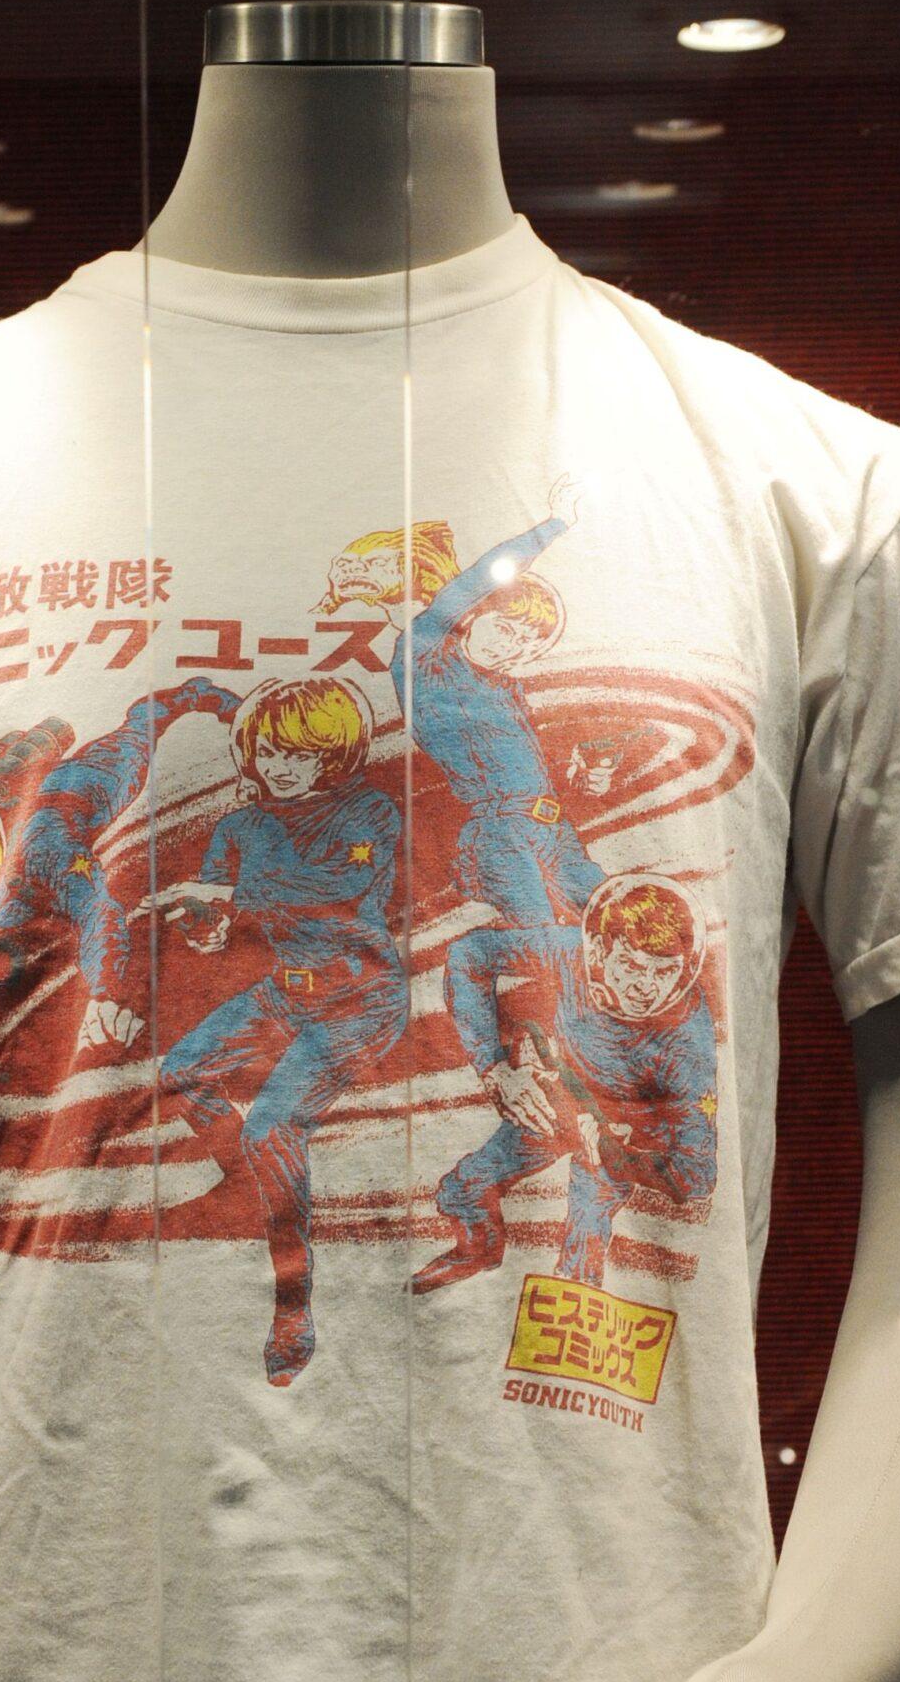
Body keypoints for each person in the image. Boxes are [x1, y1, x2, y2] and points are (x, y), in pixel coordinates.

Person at [149, 674, 406, 1385]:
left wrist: (225, 895)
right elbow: (216, 913)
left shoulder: (370, 812)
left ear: (333, 753)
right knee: (179, 1074)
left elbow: (339, 890)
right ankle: (249, 1187)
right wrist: (204, 925)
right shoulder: (241, 825)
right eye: (268, 752)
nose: (281, 766)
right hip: (286, 993)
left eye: (300, 752)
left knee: (271, 1128)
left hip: (362, 1001)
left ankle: (293, 1303)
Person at [412, 868, 718, 1296]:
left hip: (621, 1134)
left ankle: (575, 1292)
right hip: (560, 1097)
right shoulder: (569, 950)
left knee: (584, 1238)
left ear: (685, 969)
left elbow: (698, 1174)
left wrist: (621, 1155)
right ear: (599, 950)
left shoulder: (687, 1043)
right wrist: (494, 1068)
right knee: (464, 1189)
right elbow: (470, 954)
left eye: (664, 971)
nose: (645, 987)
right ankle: (478, 1249)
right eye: (631, 964)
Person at [320, 475, 606, 923]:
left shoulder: (506, 689)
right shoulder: (426, 656)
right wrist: (554, 524)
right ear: (474, 615)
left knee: (616, 916)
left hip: (553, 831)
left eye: (526, 645)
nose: (510, 648)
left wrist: (581, 779)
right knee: (544, 938)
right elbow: (481, 577)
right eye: (505, 629)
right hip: (502, 833)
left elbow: (527, 774)